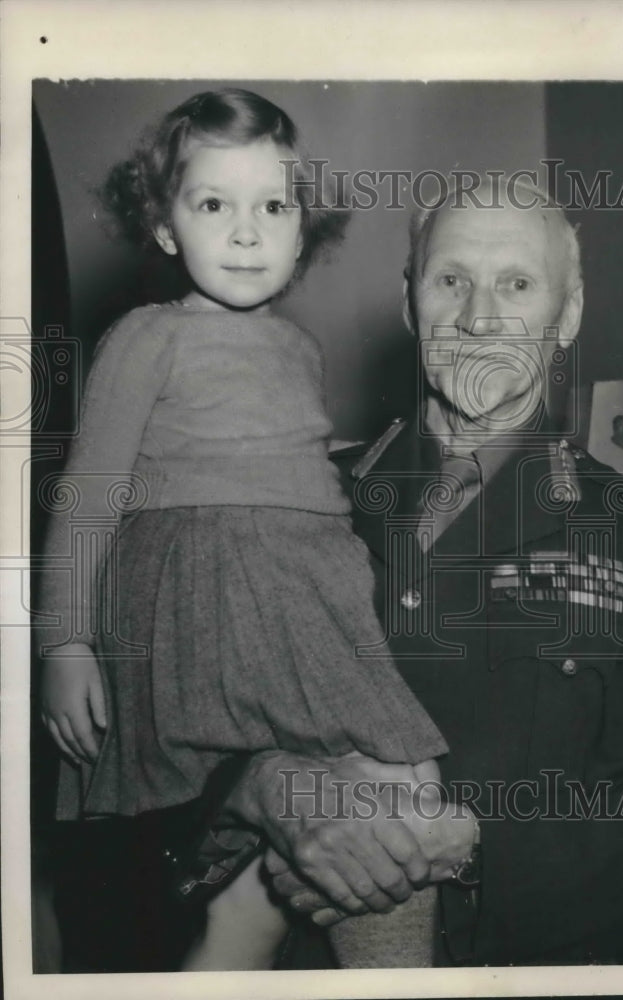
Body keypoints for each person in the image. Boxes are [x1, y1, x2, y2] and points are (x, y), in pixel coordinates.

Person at [212, 173, 623, 966]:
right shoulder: (290, 502)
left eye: (515, 283)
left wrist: (460, 846)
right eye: (452, 281)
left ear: (568, 314)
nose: (480, 318)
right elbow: (161, 743)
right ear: (412, 302)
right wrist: (263, 790)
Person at [36, 88, 455, 971]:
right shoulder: (146, 337)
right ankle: (230, 957)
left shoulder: (298, 349)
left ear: (305, 230)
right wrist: (64, 641)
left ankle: (376, 963)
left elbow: (289, 464)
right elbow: (88, 493)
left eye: (272, 206)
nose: (245, 231)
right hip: (202, 597)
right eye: (212, 204)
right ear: (163, 226)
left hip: (307, 590)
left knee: (404, 773)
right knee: (300, 795)